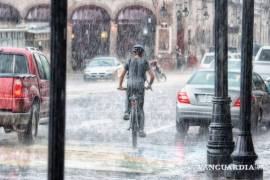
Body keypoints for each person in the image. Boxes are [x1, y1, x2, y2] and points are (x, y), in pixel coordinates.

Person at [118, 44, 155, 137]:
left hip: (130, 84)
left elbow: (122, 75)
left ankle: (126, 112)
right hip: (140, 86)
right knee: (140, 109)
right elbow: (152, 76)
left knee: (128, 97)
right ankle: (141, 130)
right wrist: (149, 85)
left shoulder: (129, 60)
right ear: (142, 53)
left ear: (133, 52)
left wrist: (120, 85)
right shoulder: (145, 61)